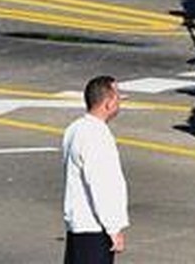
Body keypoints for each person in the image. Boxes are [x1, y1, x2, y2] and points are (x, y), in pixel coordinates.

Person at [62, 76, 129, 263]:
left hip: (78, 226)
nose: (120, 103)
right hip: (94, 229)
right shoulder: (96, 136)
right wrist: (114, 228)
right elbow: (101, 185)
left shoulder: (75, 129)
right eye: (117, 98)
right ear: (107, 104)